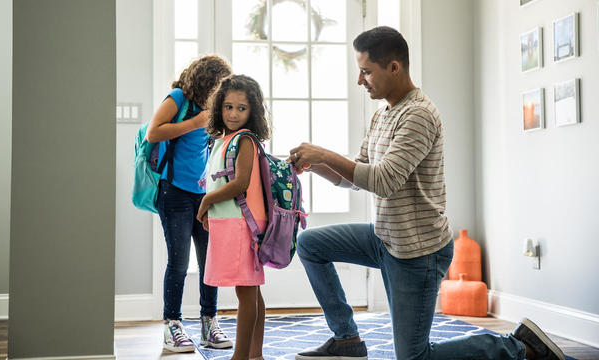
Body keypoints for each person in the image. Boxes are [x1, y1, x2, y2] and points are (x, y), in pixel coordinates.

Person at [288, 26, 565, 360]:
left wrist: (324, 154)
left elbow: (384, 180)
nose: (360, 81)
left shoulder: (419, 114)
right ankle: (346, 338)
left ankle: (519, 347)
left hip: (417, 252)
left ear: (394, 67)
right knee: (310, 244)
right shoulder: (383, 114)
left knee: (414, 357)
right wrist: (313, 166)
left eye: (365, 71)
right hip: (386, 238)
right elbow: (357, 175)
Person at [146, 55, 233, 353]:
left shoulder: (215, 106)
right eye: (216, 88)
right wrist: (194, 123)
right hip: (173, 193)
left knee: (211, 261)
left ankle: (209, 322)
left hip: (203, 193)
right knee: (180, 263)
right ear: (204, 83)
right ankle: (173, 325)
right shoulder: (179, 98)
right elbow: (153, 132)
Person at [197, 74, 272, 360]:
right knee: (251, 290)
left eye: (242, 108)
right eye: (228, 106)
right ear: (219, 107)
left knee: (246, 292)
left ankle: (240, 356)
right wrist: (211, 210)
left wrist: (206, 201)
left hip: (244, 224)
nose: (233, 113)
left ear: (253, 111)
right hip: (231, 222)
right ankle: (255, 355)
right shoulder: (223, 139)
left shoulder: (244, 140)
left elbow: (240, 184)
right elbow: (219, 181)